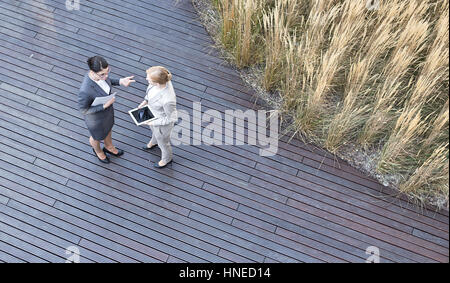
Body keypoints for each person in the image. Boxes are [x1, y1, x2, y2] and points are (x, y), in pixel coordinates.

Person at [78, 56, 135, 163]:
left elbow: (107, 81)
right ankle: (98, 151)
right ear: (92, 72)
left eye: (107, 71)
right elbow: (83, 110)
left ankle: (109, 146)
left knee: (108, 129)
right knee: (96, 137)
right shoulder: (85, 90)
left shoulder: (101, 76)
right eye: (102, 74)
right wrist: (104, 106)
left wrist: (120, 81)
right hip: (96, 120)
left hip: (107, 113)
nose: (106, 76)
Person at [138, 66, 178, 169]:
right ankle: (154, 142)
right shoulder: (159, 82)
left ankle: (166, 159)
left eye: (149, 78)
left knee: (164, 143)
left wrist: (152, 123)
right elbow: (149, 93)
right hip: (151, 114)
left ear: (157, 83)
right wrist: (144, 102)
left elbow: (171, 118)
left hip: (161, 124)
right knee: (154, 133)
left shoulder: (168, 100)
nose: (146, 79)